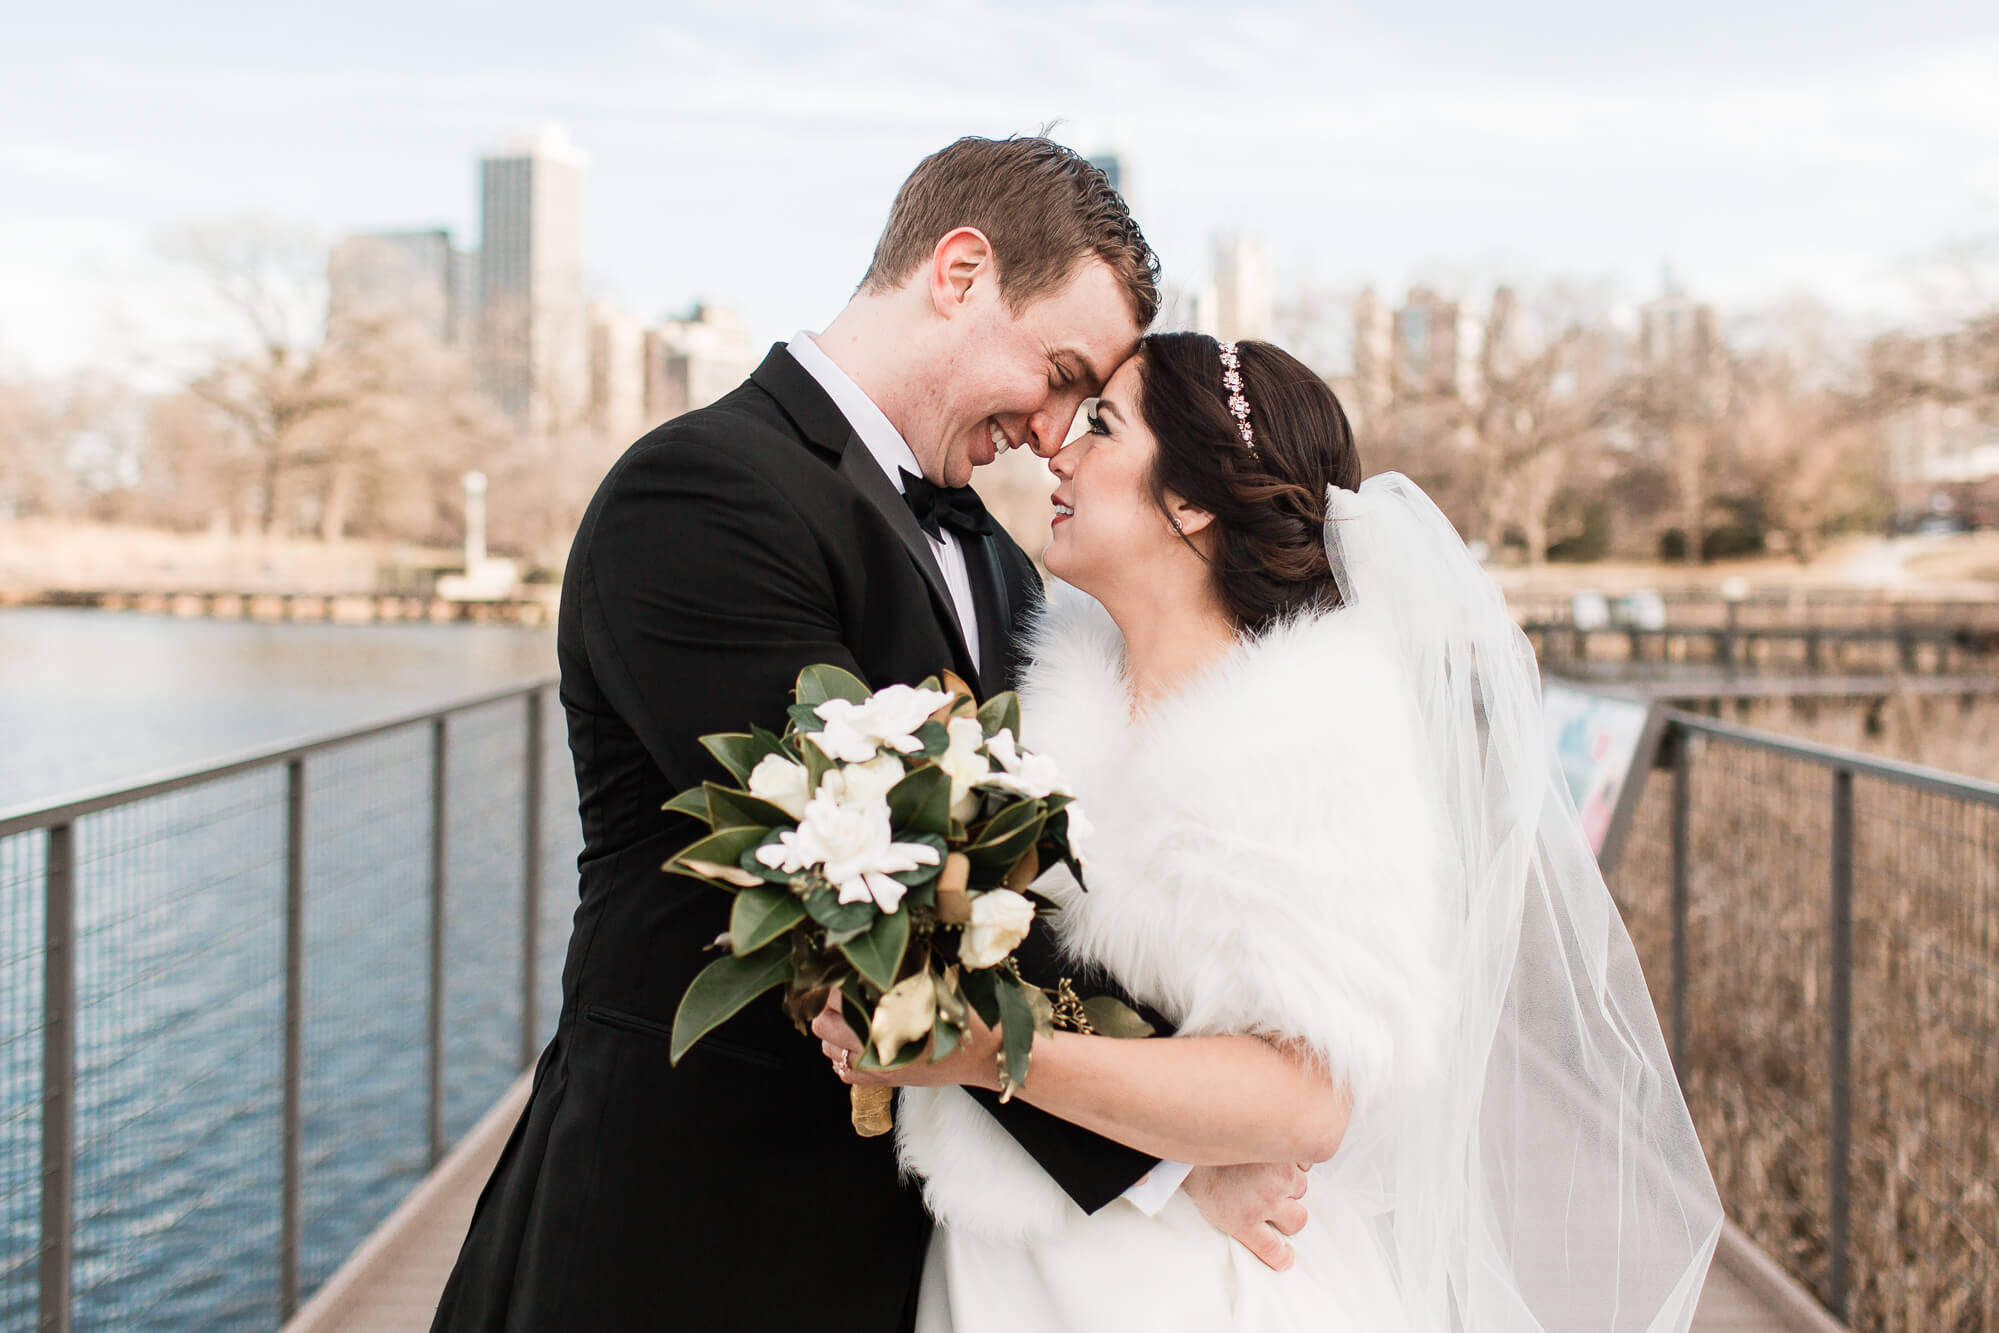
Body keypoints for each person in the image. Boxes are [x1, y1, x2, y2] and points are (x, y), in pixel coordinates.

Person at [431, 138, 1309, 1333]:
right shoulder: (698, 492)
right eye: (1056, 372)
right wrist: (1168, 1142)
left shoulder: (1002, 564)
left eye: (1086, 403)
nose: (1055, 435)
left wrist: (1172, 1106)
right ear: (958, 271)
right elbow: (869, 867)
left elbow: (1011, 882)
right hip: (680, 1228)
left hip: (906, 1247)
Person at [816, 332, 1725, 1329]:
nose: (1058, 450)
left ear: (1194, 500)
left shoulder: (1310, 744)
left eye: (1104, 425)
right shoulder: (1039, 698)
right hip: (994, 1267)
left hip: (1186, 1289)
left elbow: (1305, 1102)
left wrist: (981, 1049)